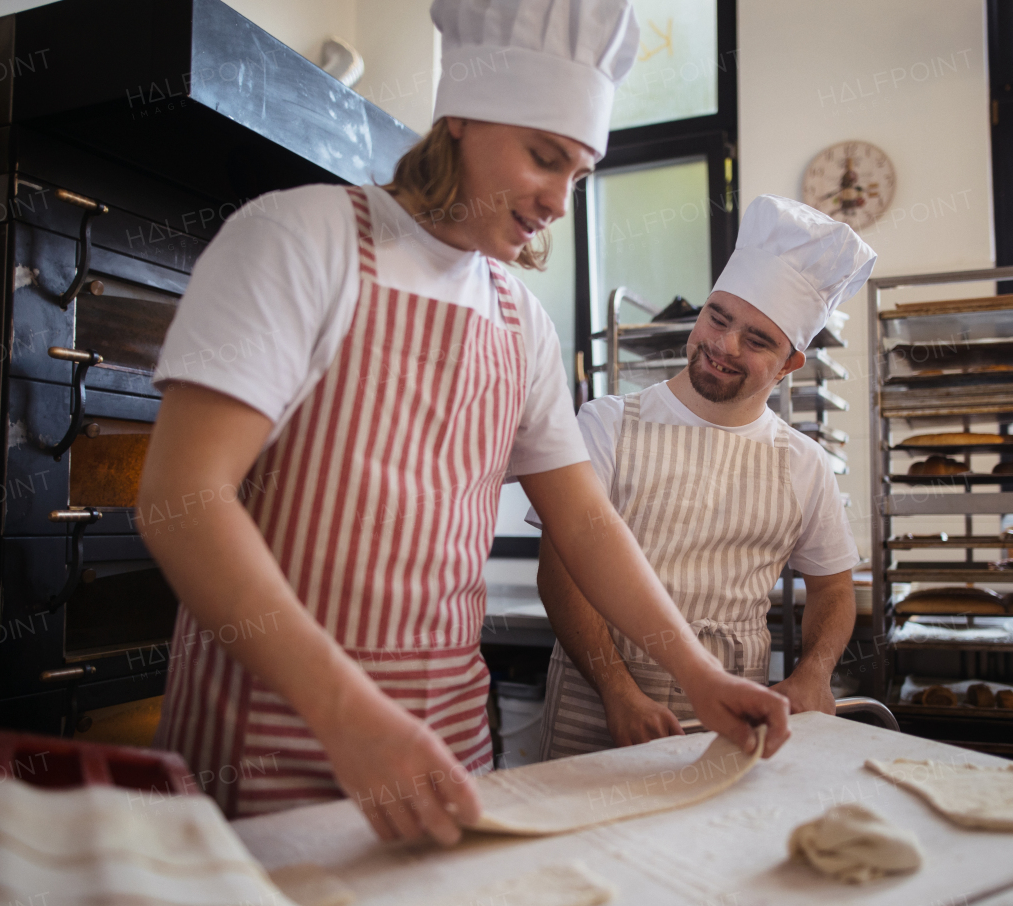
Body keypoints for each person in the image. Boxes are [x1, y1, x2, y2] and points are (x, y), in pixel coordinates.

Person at [139, 0, 791, 845]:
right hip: (272, 727)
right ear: (460, 117)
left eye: (579, 175)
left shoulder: (519, 316)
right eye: (544, 158)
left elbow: (585, 521)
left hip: (446, 733)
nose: (560, 200)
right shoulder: (297, 238)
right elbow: (182, 496)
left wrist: (696, 676)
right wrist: (347, 712)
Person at [529, 194, 877, 759]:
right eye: (718, 318)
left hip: (733, 716)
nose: (723, 346)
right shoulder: (608, 423)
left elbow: (833, 587)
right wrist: (618, 693)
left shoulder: (803, 462)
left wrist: (815, 673)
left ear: (792, 364)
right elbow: (560, 573)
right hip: (602, 708)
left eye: (757, 340)